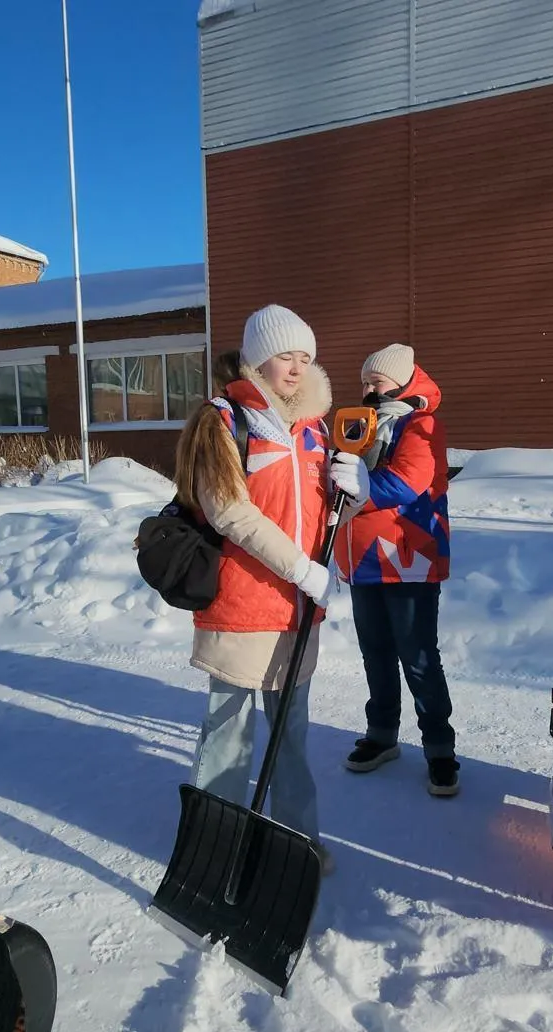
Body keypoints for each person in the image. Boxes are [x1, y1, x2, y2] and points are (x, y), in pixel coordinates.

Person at [173, 305, 359, 872]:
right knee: (228, 736)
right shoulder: (223, 421)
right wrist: (303, 571)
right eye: (286, 356)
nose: (298, 368)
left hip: (297, 613)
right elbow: (229, 513)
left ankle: (296, 845)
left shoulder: (315, 429)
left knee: (291, 740)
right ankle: (215, 847)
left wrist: (357, 496)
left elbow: (322, 522)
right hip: (241, 605)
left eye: (306, 357)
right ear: (258, 358)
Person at [331, 344, 459, 796]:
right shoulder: (356, 422)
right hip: (363, 560)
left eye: (377, 381)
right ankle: (382, 735)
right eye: (365, 380)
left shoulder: (421, 425)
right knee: (376, 653)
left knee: (419, 657)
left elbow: (407, 481)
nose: (368, 388)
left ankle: (440, 748)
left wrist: (355, 491)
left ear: (403, 381)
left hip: (408, 558)